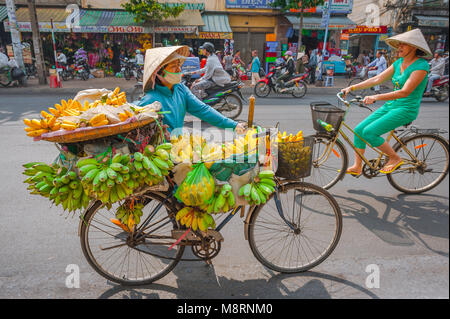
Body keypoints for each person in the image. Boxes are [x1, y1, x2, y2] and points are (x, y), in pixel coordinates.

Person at [340, 28, 431, 175]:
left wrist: (376, 97)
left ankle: (394, 158)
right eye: (399, 44)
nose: (399, 47)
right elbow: (377, 78)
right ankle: (357, 166)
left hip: (406, 109)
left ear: (414, 47)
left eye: (404, 45)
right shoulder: (398, 63)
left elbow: (405, 92)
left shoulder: (421, 66)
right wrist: (352, 87)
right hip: (391, 106)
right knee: (358, 130)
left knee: (369, 132)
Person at [137, 45, 246, 135]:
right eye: (174, 66)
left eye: (179, 65)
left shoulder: (181, 90)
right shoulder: (150, 100)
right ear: (159, 72)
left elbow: (203, 110)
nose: (179, 69)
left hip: (178, 149)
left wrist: (233, 125)